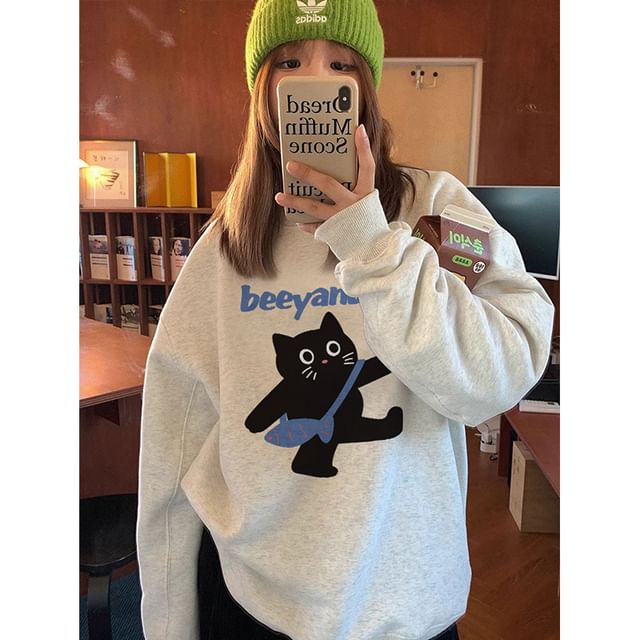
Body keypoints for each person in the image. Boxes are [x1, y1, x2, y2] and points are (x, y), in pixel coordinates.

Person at [137, 1, 555, 639]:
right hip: (254, 601)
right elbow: (175, 440)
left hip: (405, 608)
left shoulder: (434, 206)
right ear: (261, 92)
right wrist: (167, 621)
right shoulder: (225, 246)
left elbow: (498, 379)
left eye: (340, 65)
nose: (314, 80)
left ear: (366, 87)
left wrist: (372, 243)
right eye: (288, 63)